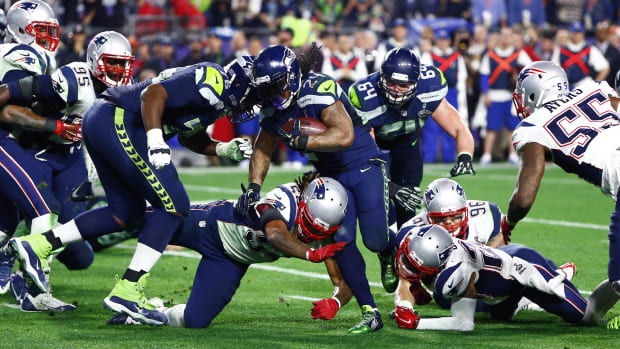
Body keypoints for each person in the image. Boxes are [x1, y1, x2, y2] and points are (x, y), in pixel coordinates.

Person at [8, 57, 256, 325]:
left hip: (107, 119)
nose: (254, 103)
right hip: (120, 118)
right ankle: (128, 289)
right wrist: (155, 138)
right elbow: (153, 95)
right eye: (260, 94)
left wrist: (222, 148)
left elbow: (188, 134)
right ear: (243, 83)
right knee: (174, 205)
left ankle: (39, 244)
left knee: (125, 214)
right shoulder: (213, 80)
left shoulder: (219, 98)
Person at [236, 44, 391, 334]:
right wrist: (254, 187)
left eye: (277, 86)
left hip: (363, 164)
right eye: (267, 88)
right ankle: (370, 311)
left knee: (375, 239)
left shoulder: (318, 88)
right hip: (331, 175)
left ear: (292, 77)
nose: (272, 94)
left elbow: (344, 135)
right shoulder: (272, 107)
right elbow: (263, 147)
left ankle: (388, 249)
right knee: (342, 239)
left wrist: (306, 142)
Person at [0, 31, 136, 311]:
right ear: (96, 60)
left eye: (125, 64)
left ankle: (19, 274)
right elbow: (13, 97)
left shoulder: (129, 90)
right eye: (113, 62)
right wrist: (55, 125)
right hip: (38, 151)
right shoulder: (75, 79)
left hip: (73, 157)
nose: (120, 70)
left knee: (66, 231)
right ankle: (37, 292)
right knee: (44, 215)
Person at [107, 175, 350, 328]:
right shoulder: (286, 197)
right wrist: (310, 253)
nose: (310, 233)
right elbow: (276, 234)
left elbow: (343, 281)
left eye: (317, 230)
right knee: (142, 218)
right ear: (304, 202)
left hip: (231, 261)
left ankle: (152, 313)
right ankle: (79, 226)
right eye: (308, 222)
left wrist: (337, 301)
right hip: (212, 225)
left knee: (195, 321)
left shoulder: (323, 229)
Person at [504, 60, 620, 325]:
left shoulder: (532, 128)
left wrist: (507, 223)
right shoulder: (597, 88)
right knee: (610, 290)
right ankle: (590, 315)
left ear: (533, 92)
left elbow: (523, 199)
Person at [391, 224, 620, 331]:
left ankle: (614, 279)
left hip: (522, 268)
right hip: (501, 284)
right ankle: (555, 275)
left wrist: (418, 324)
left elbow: (463, 324)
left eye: (414, 265)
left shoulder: (454, 275)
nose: (406, 267)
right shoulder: (418, 238)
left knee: (586, 316)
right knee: (502, 315)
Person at [348, 48, 475, 231]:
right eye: (391, 83)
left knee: (408, 203)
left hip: (408, 146)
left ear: (416, 82)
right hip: (376, 149)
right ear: (382, 77)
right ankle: (386, 251)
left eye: (403, 85)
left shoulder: (429, 86)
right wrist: (389, 187)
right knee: (380, 206)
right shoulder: (365, 95)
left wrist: (465, 156)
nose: (396, 90)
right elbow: (366, 154)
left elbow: (459, 127)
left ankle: (405, 250)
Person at [0, 0, 61, 294]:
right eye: (42, 30)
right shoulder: (25, 54)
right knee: (44, 207)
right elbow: (7, 108)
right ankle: (34, 292)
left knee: (6, 218)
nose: (48, 38)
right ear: (21, 29)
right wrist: (55, 125)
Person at [479, 27, 532, 166]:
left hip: (512, 96)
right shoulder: (490, 55)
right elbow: (484, 75)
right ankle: (486, 154)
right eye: (503, 35)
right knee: (491, 127)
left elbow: (529, 71)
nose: (506, 38)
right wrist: (485, 93)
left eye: (509, 35)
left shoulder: (519, 54)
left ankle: (512, 154)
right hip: (494, 95)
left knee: (512, 127)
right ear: (499, 37)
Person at [420, 30, 469, 164]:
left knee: (451, 124)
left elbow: (462, 77)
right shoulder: (428, 55)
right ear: (436, 41)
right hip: (433, 94)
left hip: (452, 93)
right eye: (440, 40)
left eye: (445, 40)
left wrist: (461, 97)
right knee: (431, 126)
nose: (443, 42)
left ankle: (448, 156)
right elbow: (423, 76)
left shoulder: (456, 56)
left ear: (449, 41)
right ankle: (429, 156)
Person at [552, 21, 609, 89]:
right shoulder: (560, 50)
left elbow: (605, 68)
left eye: (579, 33)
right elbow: (554, 70)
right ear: (570, 33)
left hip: (584, 85)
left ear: (583, 34)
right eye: (574, 32)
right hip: (565, 85)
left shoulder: (590, 49)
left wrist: (595, 86)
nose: (576, 35)